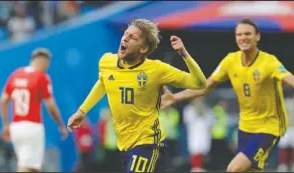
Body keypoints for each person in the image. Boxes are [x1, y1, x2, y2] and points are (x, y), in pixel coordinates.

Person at [160, 18, 294, 172]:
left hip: (268, 127)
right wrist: (175, 97)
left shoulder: (269, 62)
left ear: (257, 36)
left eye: (248, 34)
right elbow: (206, 86)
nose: (243, 37)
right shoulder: (230, 61)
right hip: (245, 127)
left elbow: (289, 78)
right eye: (239, 34)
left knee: (234, 168)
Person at [67, 18, 207, 172]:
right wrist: (82, 111)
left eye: (133, 37)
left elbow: (199, 83)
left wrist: (184, 54)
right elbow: (103, 83)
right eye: (126, 34)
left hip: (148, 142)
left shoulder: (156, 70)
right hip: (124, 145)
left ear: (143, 49)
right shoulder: (107, 61)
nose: (125, 38)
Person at [0, 48, 68, 172]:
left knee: (34, 168)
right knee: (26, 167)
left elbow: (3, 100)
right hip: (32, 126)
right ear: (43, 62)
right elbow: (51, 105)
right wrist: (61, 124)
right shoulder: (42, 77)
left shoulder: (16, 74)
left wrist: (5, 124)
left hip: (16, 127)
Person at [183, 96, 213, 172]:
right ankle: (196, 168)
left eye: (201, 99)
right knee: (195, 150)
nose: (199, 101)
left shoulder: (207, 109)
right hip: (194, 132)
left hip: (204, 132)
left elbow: (211, 120)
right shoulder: (189, 109)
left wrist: (203, 113)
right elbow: (187, 120)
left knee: (203, 150)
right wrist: (197, 112)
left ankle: (200, 167)